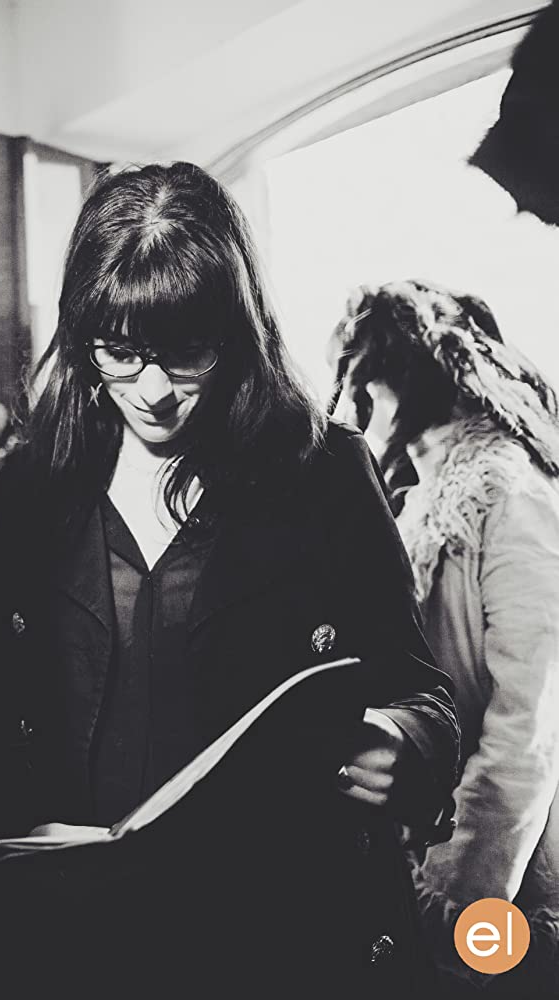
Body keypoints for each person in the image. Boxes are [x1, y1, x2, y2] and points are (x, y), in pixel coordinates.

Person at [0, 165, 459, 1000]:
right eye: (120, 352)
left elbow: (420, 688)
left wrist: (403, 741)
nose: (153, 392)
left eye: (186, 352)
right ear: (82, 336)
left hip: (271, 929)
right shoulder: (34, 487)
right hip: (74, 935)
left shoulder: (326, 473)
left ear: (236, 328)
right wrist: (18, 847)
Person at [328, 278, 559, 996]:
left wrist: (461, 896)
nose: (355, 405)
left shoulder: (508, 494)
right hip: (426, 843)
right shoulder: (417, 495)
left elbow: (530, 721)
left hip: (505, 865)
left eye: (363, 379)